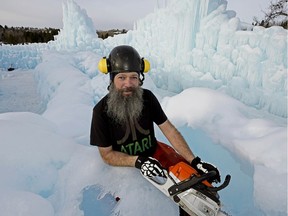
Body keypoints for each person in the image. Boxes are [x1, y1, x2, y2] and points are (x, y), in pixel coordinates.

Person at [90, 45, 220, 215]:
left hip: (155, 152)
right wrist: (138, 162)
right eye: (121, 77)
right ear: (112, 78)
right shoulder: (100, 111)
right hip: (125, 164)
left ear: (140, 78)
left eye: (133, 77)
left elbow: (170, 131)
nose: (128, 84)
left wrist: (194, 161)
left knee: (195, 186)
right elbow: (107, 155)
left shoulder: (148, 98)